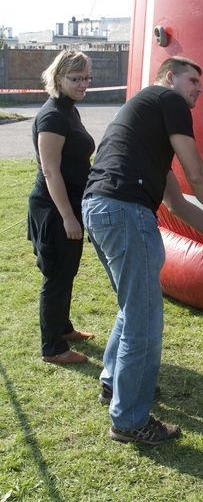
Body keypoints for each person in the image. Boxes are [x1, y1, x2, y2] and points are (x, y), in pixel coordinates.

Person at [82, 56, 203, 447]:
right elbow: (196, 173)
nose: (198, 88)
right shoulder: (168, 100)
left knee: (133, 309)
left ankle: (114, 385)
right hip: (125, 212)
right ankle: (129, 420)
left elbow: (178, 204)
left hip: (101, 208)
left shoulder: (146, 123)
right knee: (144, 320)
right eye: (193, 79)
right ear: (169, 77)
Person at [28, 50, 96, 364]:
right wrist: (68, 216)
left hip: (70, 204)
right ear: (58, 78)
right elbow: (50, 170)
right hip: (55, 208)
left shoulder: (69, 109)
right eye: (76, 78)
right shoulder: (53, 114)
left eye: (86, 78)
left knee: (67, 269)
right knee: (56, 275)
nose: (83, 83)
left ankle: (63, 328)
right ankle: (53, 348)